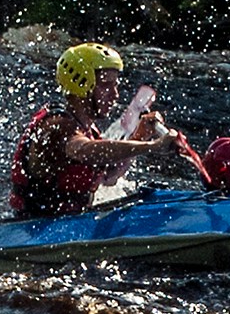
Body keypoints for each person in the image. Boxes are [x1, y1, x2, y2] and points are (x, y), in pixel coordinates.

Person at [10, 42, 187, 217]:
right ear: (82, 84)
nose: (115, 94)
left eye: (115, 85)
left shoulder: (89, 130)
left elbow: (110, 177)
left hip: (69, 223)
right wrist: (153, 146)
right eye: (105, 85)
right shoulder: (57, 125)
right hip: (35, 228)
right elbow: (83, 149)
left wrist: (140, 136)